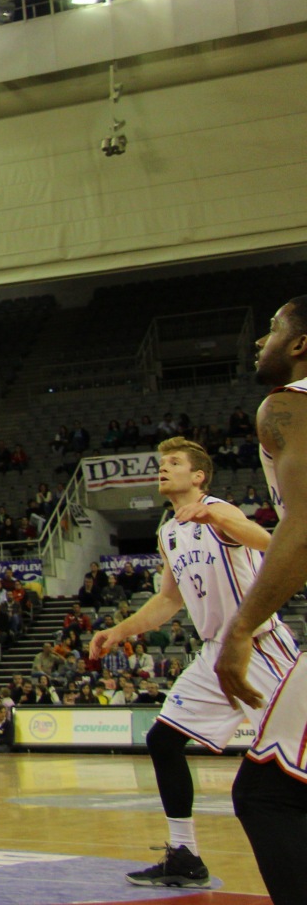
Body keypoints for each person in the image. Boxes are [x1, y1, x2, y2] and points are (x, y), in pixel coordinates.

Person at [89, 434, 297, 888]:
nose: (163, 468)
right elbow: (167, 601)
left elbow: (267, 541)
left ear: (198, 475)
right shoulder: (168, 532)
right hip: (213, 654)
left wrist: (216, 516)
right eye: (162, 463)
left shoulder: (219, 510)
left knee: (294, 762)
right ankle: (185, 856)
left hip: (260, 646)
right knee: (163, 741)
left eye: (174, 462)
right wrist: (118, 631)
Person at [217, 297, 307, 904]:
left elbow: (304, 527)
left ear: (300, 344)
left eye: (272, 329)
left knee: (267, 793)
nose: (260, 342)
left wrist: (243, 625)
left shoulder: (289, 405)